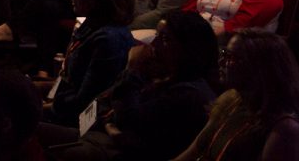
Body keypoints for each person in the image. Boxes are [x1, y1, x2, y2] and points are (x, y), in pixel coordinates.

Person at [43, 11, 218, 161]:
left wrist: (132, 69)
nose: (154, 44)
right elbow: (103, 102)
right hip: (99, 137)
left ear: (188, 47)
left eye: (165, 39)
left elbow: (129, 121)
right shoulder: (160, 74)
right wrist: (111, 126)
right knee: (36, 129)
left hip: (122, 153)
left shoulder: (189, 94)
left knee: (61, 152)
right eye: (156, 36)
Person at [171, 29, 299, 161]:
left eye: (231, 57)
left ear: (259, 67)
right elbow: (194, 151)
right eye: (223, 53)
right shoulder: (231, 100)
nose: (221, 62)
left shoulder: (284, 130)